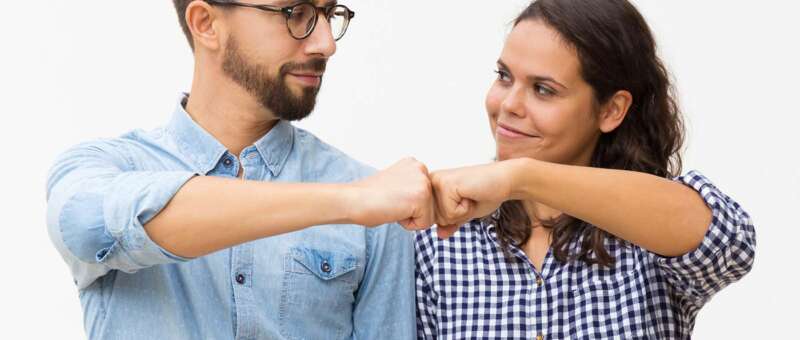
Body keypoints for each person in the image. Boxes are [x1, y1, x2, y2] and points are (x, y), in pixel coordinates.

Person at [46, 1, 436, 339]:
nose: (326, 44)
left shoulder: (378, 207)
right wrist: (350, 201)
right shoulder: (103, 169)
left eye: (328, 13)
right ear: (206, 23)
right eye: (295, 12)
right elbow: (85, 227)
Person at [415, 0, 756, 339]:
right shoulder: (441, 242)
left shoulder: (649, 233)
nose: (508, 105)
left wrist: (521, 177)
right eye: (504, 76)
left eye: (543, 90)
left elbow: (727, 241)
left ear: (611, 110)